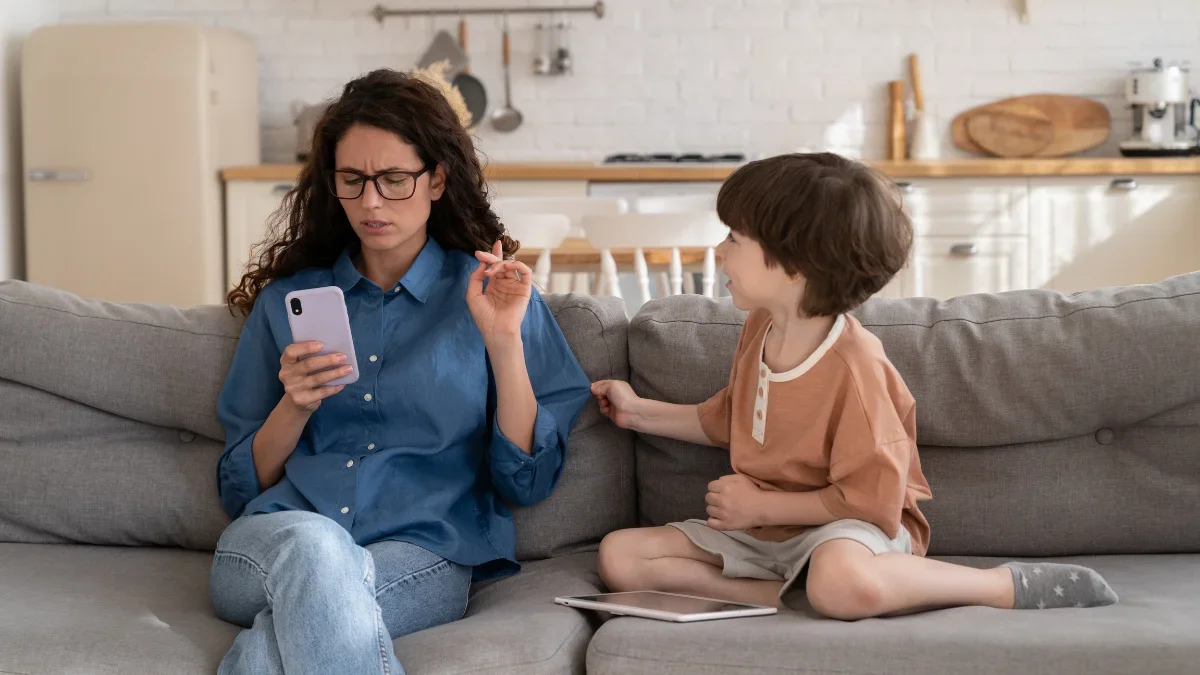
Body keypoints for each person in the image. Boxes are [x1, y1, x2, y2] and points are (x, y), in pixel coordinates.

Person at [591, 153, 1118, 620]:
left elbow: (872, 501)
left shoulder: (855, 367)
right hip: (762, 533)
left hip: (846, 529)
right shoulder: (759, 327)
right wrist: (638, 413)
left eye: (734, 238)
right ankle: (783, 596)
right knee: (621, 556)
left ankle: (997, 585)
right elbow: (732, 418)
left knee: (841, 580)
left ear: (795, 264)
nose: (720, 250)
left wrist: (763, 509)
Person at [211, 68, 591, 674]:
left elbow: (528, 482)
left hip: (423, 551)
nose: (371, 203)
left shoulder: (495, 298)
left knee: (267, 652)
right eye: (352, 181)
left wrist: (502, 343)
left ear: (437, 179)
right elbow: (240, 488)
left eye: (393, 180)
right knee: (315, 546)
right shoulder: (289, 302)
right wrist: (297, 405)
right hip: (272, 545)